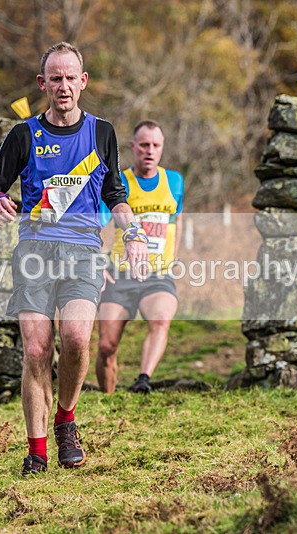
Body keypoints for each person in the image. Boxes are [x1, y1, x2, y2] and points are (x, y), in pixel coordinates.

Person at [0, 42, 149, 476]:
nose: (64, 86)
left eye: (71, 77)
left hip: (85, 250)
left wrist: (133, 234)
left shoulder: (102, 133)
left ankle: (65, 419)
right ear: (43, 84)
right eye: (55, 78)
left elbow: (116, 197)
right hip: (35, 250)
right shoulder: (23, 135)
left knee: (74, 339)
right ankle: (36, 452)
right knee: (36, 349)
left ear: (83, 81)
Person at [96, 120, 185, 394]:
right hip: (120, 274)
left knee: (161, 320)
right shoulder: (118, 181)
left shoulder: (175, 181)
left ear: (162, 148)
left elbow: (176, 221)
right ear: (133, 147)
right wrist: (98, 260)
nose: (150, 150)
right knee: (106, 346)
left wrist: (172, 259)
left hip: (157, 275)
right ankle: (108, 396)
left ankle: (143, 380)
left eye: (156, 145)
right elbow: (98, 224)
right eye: (144, 145)